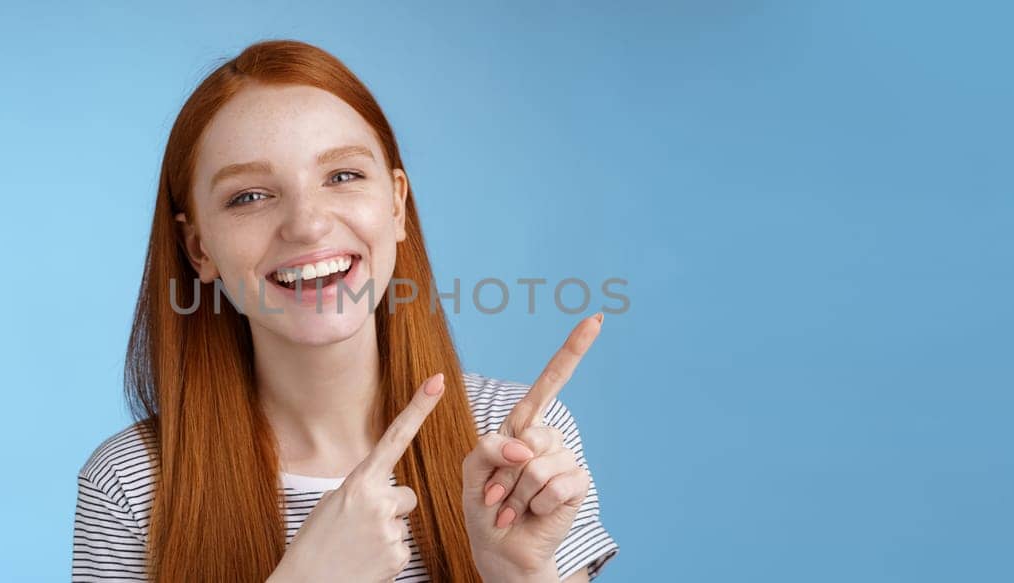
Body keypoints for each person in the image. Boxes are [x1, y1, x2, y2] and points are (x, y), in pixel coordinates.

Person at [71, 39, 619, 582]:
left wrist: (517, 575)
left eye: (342, 176)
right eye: (249, 196)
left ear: (397, 205)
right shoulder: (131, 485)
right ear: (199, 249)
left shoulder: (513, 441)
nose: (306, 224)